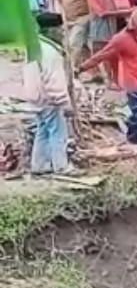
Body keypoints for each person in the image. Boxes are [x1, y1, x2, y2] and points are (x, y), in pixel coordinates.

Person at [79, 9, 137, 144]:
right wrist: (82, 68)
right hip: (134, 82)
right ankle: (134, 140)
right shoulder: (121, 39)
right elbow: (102, 55)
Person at [17, 14, 77, 175]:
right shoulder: (51, 52)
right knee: (58, 132)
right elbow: (54, 80)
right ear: (51, 31)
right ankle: (61, 166)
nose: (62, 34)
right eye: (60, 30)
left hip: (35, 97)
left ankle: (39, 165)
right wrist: (64, 103)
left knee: (42, 131)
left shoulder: (34, 47)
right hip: (49, 99)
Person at [86, 0, 128, 88]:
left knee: (114, 56)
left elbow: (114, 12)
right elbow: (102, 13)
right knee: (104, 57)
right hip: (99, 31)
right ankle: (108, 80)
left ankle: (116, 80)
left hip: (111, 30)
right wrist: (125, 12)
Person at [53, 0, 93, 67]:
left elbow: (91, 0)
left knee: (74, 44)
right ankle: (86, 68)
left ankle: (71, 69)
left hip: (82, 18)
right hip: (65, 18)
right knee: (68, 45)